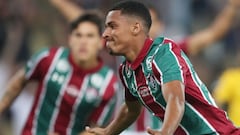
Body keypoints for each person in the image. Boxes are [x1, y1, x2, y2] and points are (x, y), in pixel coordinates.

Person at [86, 1, 240, 134]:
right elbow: (131, 109)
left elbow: (175, 98)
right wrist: (108, 132)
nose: (105, 34)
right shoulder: (126, 70)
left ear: (136, 28)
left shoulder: (164, 52)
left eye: (112, 26)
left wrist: (165, 132)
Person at [0, 13, 118, 135]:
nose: (83, 42)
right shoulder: (48, 58)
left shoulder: (108, 83)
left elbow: (95, 130)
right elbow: (20, 81)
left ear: (101, 42)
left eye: (90, 36)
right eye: (78, 35)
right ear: (70, 39)